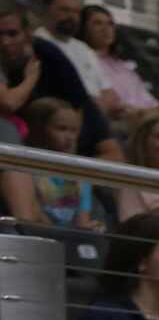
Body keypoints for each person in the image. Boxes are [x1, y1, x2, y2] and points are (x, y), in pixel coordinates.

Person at [0, 0, 110, 156]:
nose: (4, 42)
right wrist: (31, 77)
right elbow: (7, 103)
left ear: (27, 35)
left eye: (12, 34)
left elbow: (78, 103)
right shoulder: (34, 67)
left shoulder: (47, 53)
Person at [2, 94, 105, 227]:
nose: (69, 137)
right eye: (61, 129)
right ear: (38, 128)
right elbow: (34, 213)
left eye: (74, 131)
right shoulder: (26, 170)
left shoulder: (81, 175)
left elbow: (82, 222)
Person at [78, 3, 155, 120]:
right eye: (97, 23)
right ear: (83, 28)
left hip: (145, 117)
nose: (106, 28)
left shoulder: (123, 66)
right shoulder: (83, 60)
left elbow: (148, 101)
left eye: (110, 24)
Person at [35, 0, 98, 100]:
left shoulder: (83, 48)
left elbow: (106, 90)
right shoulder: (37, 44)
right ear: (45, 10)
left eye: (76, 12)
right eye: (65, 10)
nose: (71, 16)